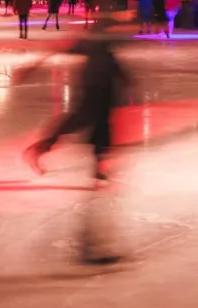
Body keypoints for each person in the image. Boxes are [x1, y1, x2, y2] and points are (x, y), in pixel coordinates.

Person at [23, 16, 129, 265]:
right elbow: (118, 76)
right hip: (95, 107)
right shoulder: (100, 49)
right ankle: (88, 245)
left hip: (99, 108)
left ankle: (93, 169)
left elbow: (63, 49)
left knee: (93, 136)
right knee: (83, 131)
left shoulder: (99, 47)